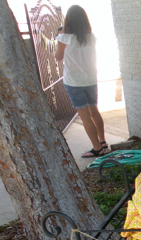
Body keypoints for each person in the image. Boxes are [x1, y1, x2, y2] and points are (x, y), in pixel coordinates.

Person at [55, 5, 109, 158]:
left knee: (84, 116)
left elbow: (58, 57)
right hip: (90, 79)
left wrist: (61, 34)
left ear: (69, 21)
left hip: (74, 82)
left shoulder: (64, 38)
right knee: (94, 111)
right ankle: (103, 141)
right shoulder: (91, 37)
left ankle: (97, 148)